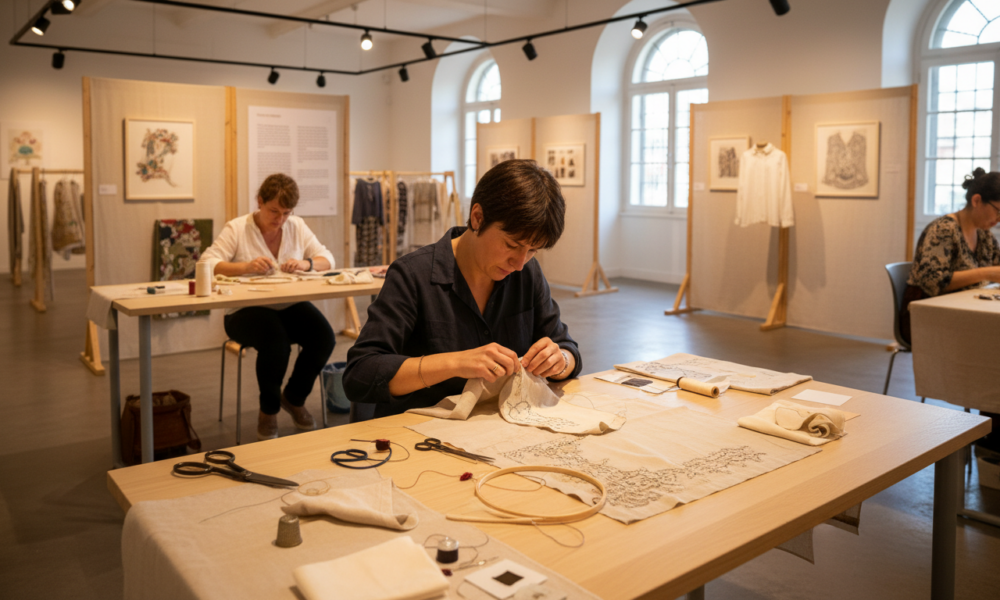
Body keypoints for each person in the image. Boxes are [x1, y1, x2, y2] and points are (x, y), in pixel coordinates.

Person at [343, 159, 582, 418]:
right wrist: (455, 362)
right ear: (477, 218)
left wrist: (560, 361)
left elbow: (566, 347)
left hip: (499, 425)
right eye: (512, 245)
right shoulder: (413, 275)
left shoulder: (527, 273)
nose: (519, 263)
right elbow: (360, 374)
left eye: (533, 250)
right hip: (420, 430)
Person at [200, 173, 335, 440]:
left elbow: (327, 259)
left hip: (287, 304)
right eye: (274, 211)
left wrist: (306, 263)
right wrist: (245, 267)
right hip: (243, 310)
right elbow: (207, 263)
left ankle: (293, 398)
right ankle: (268, 411)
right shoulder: (237, 228)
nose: (280, 219)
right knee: (276, 343)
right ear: (259, 201)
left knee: (324, 337)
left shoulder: (296, 226)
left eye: (286, 213)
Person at [902, 166, 1000, 451]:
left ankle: (991, 430)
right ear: (977, 200)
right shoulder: (943, 230)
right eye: (997, 211)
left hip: (964, 315)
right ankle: (991, 437)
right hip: (925, 317)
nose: (998, 220)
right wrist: (988, 273)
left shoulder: (984, 235)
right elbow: (934, 283)